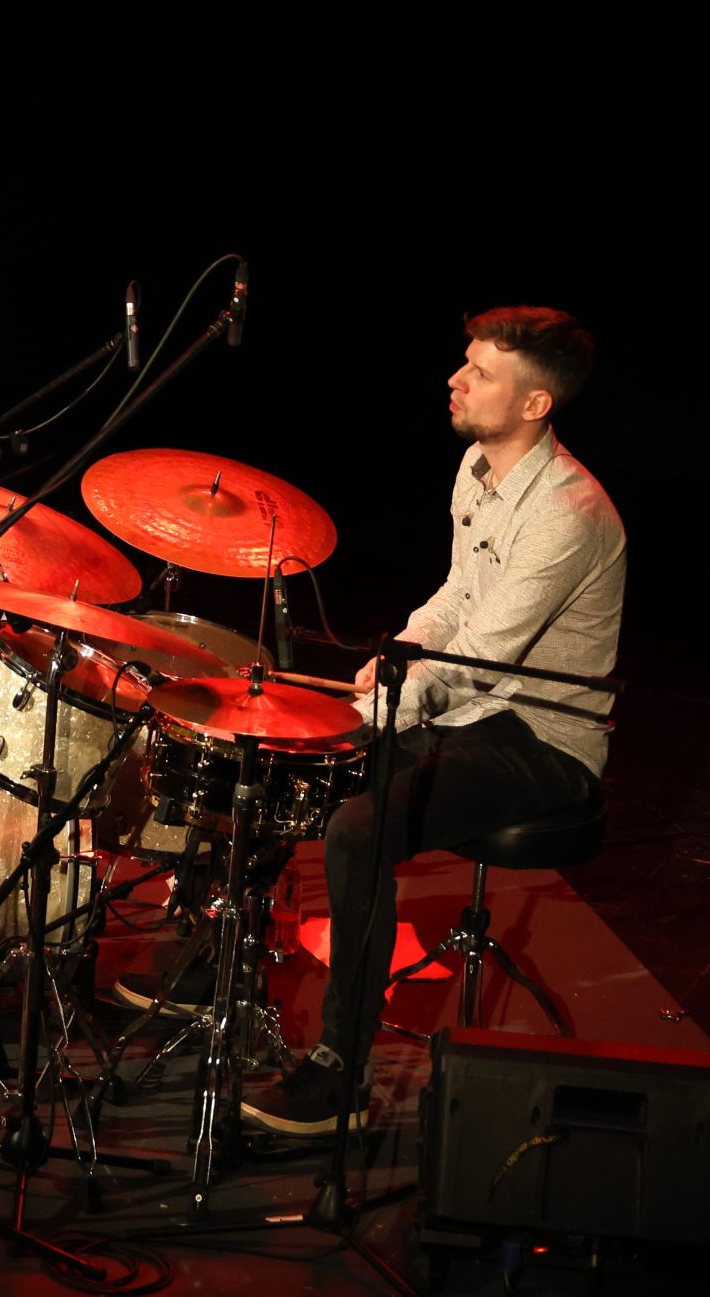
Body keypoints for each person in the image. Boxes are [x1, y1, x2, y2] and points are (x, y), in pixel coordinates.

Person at [240, 307, 624, 1135]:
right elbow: (457, 598)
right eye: (465, 363)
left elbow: (487, 654)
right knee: (282, 751)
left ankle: (340, 1071)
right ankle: (222, 975)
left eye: (481, 373)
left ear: (535, 405)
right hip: (472, 708)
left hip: (541, 736)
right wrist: (400, 653)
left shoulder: (568, 512)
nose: (455, 379)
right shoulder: (476, 466)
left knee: (358, 831)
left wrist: (381, 707)